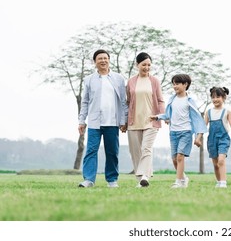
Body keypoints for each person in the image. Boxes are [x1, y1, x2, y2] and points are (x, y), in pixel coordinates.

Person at [78, 49, 128, 188]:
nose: (103, 60)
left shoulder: (118, 78)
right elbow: (85, 101)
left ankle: (112, 180)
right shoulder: (89, 80)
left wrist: (124, 120)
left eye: (105, 58)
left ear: (109, 60)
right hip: (94, 122)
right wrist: (82, 120)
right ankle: (88, 179)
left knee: (112, 151)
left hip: (112, 121)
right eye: (100, 58)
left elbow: (123, 101)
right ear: (95, 62)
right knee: (91, 151)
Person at [150, 74, 207, 188]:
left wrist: (198, 137)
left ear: (185, 85)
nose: (175, 86)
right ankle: (183, 178)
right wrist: (157, 117)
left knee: (180, 157)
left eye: (177, 84)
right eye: (173, 84)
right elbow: (168, 114)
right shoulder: (172, 99)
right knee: (175, 159)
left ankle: (178, 182)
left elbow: (198, 120)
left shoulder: (189, 100)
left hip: (185, 131)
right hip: (173, 132)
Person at [126, 52, 165, 188]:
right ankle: (140, 180)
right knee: (135, 152)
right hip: (134, 121)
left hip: (151, 121)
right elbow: (128, 102)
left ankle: (145, 176)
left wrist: (162, 115)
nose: (147, 67)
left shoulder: (154, 81)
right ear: (137, 65)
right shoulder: (131, 81)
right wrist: (124, 121)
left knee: (146, 148)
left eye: (149, 65)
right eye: (144, 64)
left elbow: (160, 101)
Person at [205, 87, 231, 188]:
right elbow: (204, 127)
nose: (215, 99)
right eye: (213, 97)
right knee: (216, 164)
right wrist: (198, 138)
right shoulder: (208, 112)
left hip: (223, 139)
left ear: (224, 97)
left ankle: (223, 182)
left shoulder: (227, 112)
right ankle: (219, 181)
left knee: (221, 160)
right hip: (211, 140)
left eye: (218, 96)